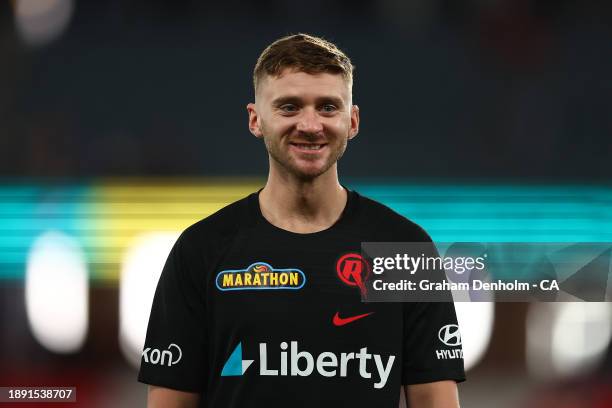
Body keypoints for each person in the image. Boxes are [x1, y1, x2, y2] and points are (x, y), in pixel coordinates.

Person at [138, 33, 465, 408]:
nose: (310, 125)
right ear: (256, 119)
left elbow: (434, 400)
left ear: (353, 121)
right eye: (289, 107)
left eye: (327, 107)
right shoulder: (202, 249)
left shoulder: (403, 250)